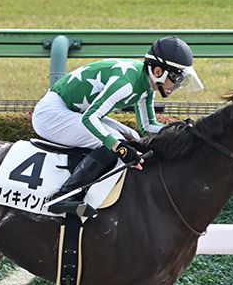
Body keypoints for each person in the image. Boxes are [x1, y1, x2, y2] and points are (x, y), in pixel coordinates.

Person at [32, 36, 204, 218]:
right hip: (51, 114)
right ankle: (66, 195)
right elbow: (90, 119)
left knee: (131, 135)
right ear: (158, 70)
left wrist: (173, 130)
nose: (177, 84)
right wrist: (119, 148)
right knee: (117, 141)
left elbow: (147, 126)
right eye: (176, 77)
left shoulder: (146, 86)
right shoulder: (126, 84)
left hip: (72, 111)